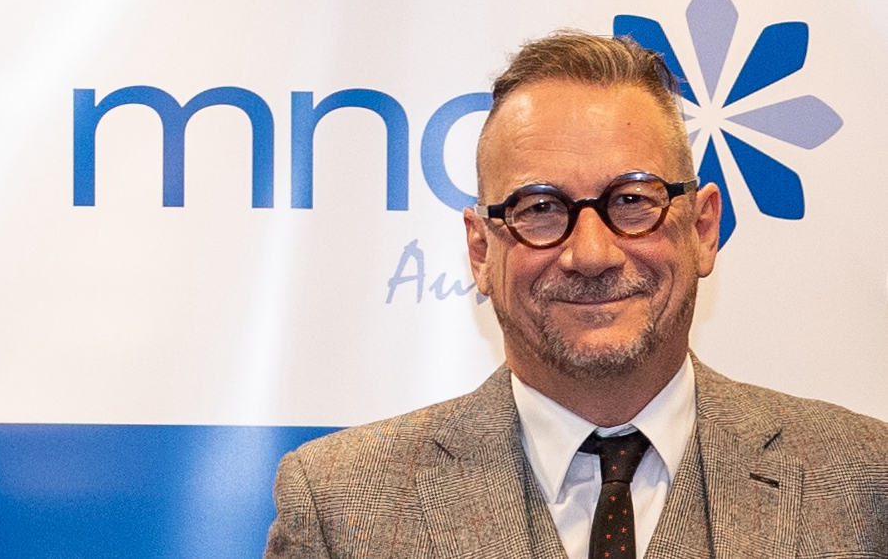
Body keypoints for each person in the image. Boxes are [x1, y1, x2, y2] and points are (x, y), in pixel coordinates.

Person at [264, 32, 888, 558]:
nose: (590, 254)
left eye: (633, 201)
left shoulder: (865, 481)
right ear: (481, 251)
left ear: (702, 228)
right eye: (540, 208)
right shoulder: (338, 506)